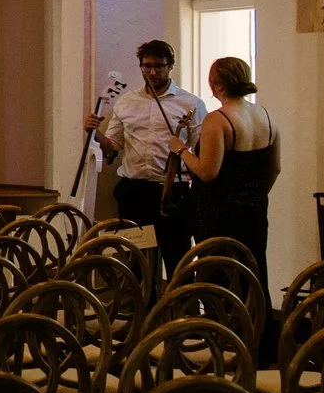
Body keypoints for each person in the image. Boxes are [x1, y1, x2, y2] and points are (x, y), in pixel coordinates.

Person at [85, 39, 205, 273]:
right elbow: (113, 147)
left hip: (172, 191)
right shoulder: (127, 102)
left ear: (170, 66)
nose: (152, 72)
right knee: (136, 262)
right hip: (135, 191)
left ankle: (180, 306)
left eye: (159, 66)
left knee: (177, 259)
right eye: (146, 66)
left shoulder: (191, 103)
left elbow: (199, 147)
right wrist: (94, 133)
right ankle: (141, 307)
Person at [180, 55, 280, 285]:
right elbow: (275, 167)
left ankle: (219, 320)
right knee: (253, 268)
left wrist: (182, 151)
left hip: (219, 211)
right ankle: (256, 318)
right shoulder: (265, 115)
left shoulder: (218, 119)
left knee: (219, 271)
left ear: (218, 84)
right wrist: (255, 194)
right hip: (255, 208)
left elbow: (207, 171)